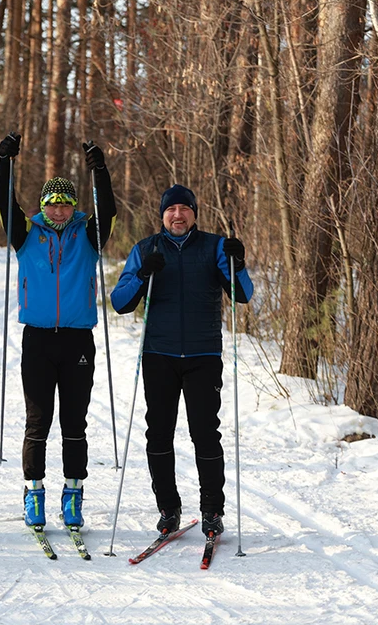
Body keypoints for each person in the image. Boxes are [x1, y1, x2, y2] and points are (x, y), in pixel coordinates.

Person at [109, 184, 253, 539]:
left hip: (203, 355)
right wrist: (144, 275)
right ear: (162, 215)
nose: (177, 215)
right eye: (171, 209)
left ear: (193, 214)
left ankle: (212, 511)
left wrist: (239, 263)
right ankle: (168, 509)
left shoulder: (215, 246)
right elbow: (120, 301)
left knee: (205, 433)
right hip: (159, 354)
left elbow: (243, 294)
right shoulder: (146, 249)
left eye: (184, 209)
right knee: (158, 433)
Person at [0, 133, 117, 529]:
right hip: (38, 339)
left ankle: (73, 494)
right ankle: (34, 493)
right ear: (43, 206)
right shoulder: (26, 234)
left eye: (65, 204)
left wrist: (99, 169)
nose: (60, 210)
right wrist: (5, 162)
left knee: (74, 421)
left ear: (74, 207)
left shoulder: (89, 234)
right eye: (53, 204)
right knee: (38, 419)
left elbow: (109, 208)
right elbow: (3, 203)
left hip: (78, 339)